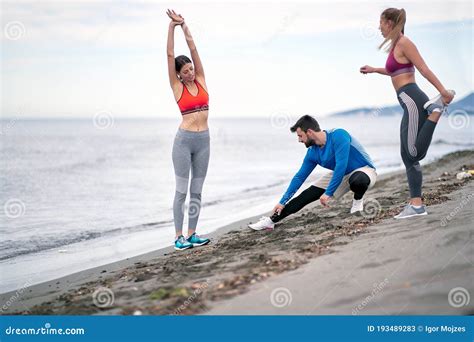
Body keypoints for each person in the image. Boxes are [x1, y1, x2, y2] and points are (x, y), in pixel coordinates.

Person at [360, 8, 455, 219]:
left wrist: (443, 92)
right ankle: (416, 205)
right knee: (409, 156)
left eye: (381, 22)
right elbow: (395, 71)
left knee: (412, 154)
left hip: (412, 100)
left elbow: (423, 68)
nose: (379, 26)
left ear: (391, 23)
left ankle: (436, 110)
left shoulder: (405, 43)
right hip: (409, 101)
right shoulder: (396, 45)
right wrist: (375, 69)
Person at [248, 115, 377, 231]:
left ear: (309, 132)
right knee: (306, 196)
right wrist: (282, 201)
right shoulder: (312, 153)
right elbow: (299, 177)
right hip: (340, 174)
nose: (299, 140)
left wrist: (328, 193)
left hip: (364, 170)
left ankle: (357, 203)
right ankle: (271, 221)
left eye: (300, 136)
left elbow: (341, 165)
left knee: (357, 180)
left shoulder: (339, 135)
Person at [166, 9, 210, 250]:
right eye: (186, 72)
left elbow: (193, 50)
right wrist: (171, 28)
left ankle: (192, 233)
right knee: (181, 191)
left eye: (192, 69)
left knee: (197, 191)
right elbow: (170, 53)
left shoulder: (201, 78)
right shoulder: (177, 86)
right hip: (184, 142)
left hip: (204, 141)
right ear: (179, 76)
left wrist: (185, 26)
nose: (191, 73)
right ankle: (178, 237)